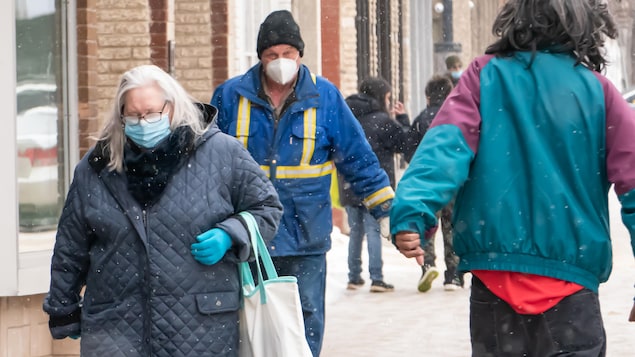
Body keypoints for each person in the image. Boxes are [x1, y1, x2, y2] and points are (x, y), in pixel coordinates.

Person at [390, 0, 635, 355]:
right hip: (570, 286)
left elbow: (443, 149)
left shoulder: (483, 76)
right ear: (584, 24)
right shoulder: (599, 92)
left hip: (495, 287)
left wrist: (412, 209)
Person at [42, 64, 283, 356]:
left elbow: (267, 207)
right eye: (133, 115)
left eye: (152, 113)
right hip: (115, 326)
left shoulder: (221, 153)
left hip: (199, 330)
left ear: (172, 106)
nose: (144, 123)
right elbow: (72, 242)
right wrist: (62, 306)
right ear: (121, 116)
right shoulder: (97, 167)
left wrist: (231, 234)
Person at [210, 10, 394, 357]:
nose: (281, 62)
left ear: (300, 55)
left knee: (304, 321)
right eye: (272, 55)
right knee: (246, 322)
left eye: (288, 54)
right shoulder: (231, 96)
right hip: (247, 236)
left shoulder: (325, 98)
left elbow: (358, 158)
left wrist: (386, 209)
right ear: (261, 58)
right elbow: (204, 161)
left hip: (306, 235)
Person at [338, 77, 411, 293]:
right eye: (388, 97)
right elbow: (405, 144)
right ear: (381, 97)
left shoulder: (347, 116)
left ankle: (354, 276)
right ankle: (376, 278)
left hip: (349, 184)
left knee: (355, 232)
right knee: (373, 231)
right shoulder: (383, 121)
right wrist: (403, 120)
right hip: (375, 186)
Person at [405, 75, 462, 293]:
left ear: (428, 97)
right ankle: (453, 275)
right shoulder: (456, 116)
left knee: (428, 224)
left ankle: (427, 265)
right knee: (452, 226)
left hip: (428, 182)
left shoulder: (421, 119)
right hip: (453, 181)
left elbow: (409, 149)